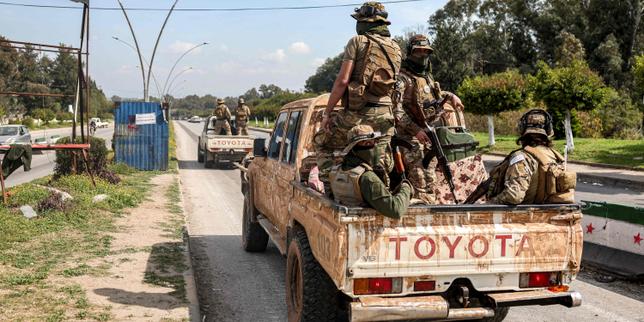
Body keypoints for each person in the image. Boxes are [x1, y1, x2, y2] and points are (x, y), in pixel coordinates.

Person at [315, 1, 402, 193]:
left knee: (323, 144)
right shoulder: (396, 47)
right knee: (379, 158)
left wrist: (327, 114)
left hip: (358, 112)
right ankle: (380, 195)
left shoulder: (357, 41)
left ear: (365, 21)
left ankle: (332, 191)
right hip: (385, 115)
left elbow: (342, 81)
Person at [486, 109, 576, 205]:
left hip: (524, 216)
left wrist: (490, 203)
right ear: (549, 131)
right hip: (549, 215)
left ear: (522, 129)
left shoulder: (521, 157)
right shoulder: (555, 156)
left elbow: (514, 196)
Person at [330, 125, 413, 219]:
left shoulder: (337, 170)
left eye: (373, 142)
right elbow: (395, 210)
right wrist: (406, 187)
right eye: (365, 144)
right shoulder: (367, 177)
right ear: (353, 149)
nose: (372, 147)